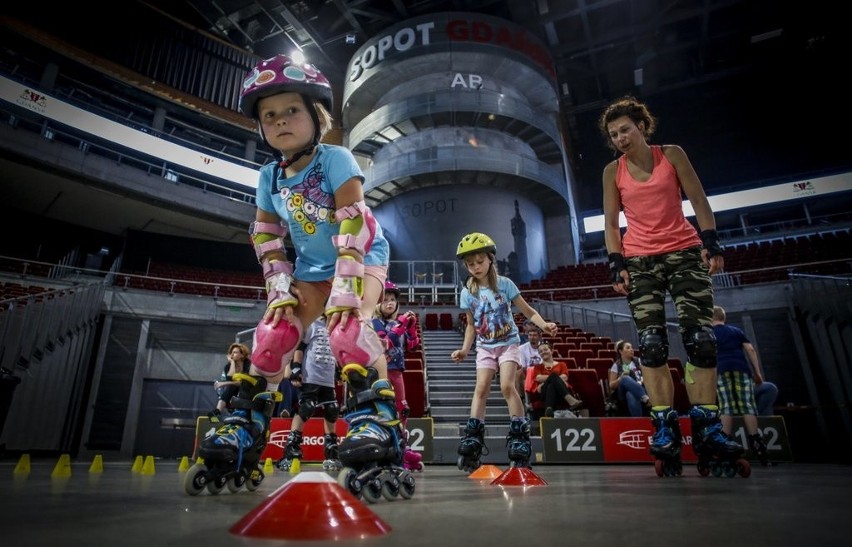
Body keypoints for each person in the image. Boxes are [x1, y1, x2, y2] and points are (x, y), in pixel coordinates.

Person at [202, 55, 409, 496]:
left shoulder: (336, 158)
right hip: (312, 269)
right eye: (269, 115)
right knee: (273, 333)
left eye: (291, 110)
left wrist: (347, 287)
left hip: (362, 256)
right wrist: (279, 289)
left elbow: (356, 222)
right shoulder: (268, 177)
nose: (279, 121)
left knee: (347, 329)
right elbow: (268, 237)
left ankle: (378, 423)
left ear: (316, 115)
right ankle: (246, 426)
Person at [599, 96, 743, 476]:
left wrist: (710, 241)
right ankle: (664, 428)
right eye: (614, 135)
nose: (621, 138)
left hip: (683, 251)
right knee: (650, 345)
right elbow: (612, 225)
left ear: (642, 127)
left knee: (701, 340)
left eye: (626, 130)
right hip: (640, 261)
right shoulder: (612, 171)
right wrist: (617, 265)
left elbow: (698, 199)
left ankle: (707, 427)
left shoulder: (672, 155)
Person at [451, 232, 559, 471]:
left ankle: (520, 435)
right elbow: (470, 325)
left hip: (509, 343)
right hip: (485, 347)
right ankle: (473, 437)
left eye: (479, 262)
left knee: (507, 386)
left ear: (490, 259)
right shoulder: (468, 292)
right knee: (481, 388)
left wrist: (544, 325)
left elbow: (528, 311)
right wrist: (464, 350)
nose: (475, 267)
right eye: (470, 264)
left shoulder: (505, 285)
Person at [276, 317, 342, 472]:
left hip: (328, 378)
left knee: (332, 410)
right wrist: (296, 368)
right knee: (306, 408)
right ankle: (291, 451)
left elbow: (337, 351)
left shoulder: (336, 327)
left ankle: (331, 452)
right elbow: (300, 347)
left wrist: (338, 372)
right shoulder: (313, 323)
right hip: (310, 375)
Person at [373, 280, 423, 471]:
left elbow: (412, 346)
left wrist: (410, 329)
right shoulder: (374, 321)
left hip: (397, 372)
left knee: (402, 409)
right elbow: (383, 342)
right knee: (382, 410)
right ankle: (382, 446)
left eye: (392, 299)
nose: (389, 303)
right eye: (385, 300)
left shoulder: (397, 322)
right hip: (380, 373)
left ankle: (402, 447)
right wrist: (400, 327)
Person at [712, 305, 770, 465]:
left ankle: (725, 443)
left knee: (726, 406)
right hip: (741, 369)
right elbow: (750, 349)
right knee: (747, 405)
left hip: (722, 370)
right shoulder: (735, 331)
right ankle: (757, 445)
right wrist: (757, 373)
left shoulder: (710, 334)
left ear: (710, 319)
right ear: (723, 318)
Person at [527, 341, 583, 417]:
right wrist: (554, 378)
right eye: (540, 351)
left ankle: (548, 410)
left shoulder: (561, 364)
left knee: (551, 385)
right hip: (544, 392)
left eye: (545, 350)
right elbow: (538, 378)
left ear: (552, 350)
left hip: (559, 392)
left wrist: (548, 381)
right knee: (553, 376)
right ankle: (570, 399)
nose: (543, 352)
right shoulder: (538, 367)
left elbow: (565, 377)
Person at [607, 340, 650, 417]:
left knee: (630, 393)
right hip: (622, 393)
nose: (631, 349)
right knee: (625, 378)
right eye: (628, 348)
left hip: (640, 387)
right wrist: (621, 378)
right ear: (620, 351)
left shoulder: (638, 361)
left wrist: (644, 379)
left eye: (632, 348)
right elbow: (611, 385)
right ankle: (646, 399)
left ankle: (639, 422)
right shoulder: (616, 365)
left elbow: (648, 375)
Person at [210, 343, 250, 419]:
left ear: (242, 355)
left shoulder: (248, 365)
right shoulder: (228, 366)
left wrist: (223, 383)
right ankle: (217, 411)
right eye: (231, 352)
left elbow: (243, 383)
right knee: (230, 387)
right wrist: (232, 363)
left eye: (235, 352)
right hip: (233, 392)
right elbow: (229, 379)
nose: (232, 354)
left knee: (231, 385)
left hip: (247, 390)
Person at [516, 322, 543, 413]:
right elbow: (523, 367)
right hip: (527, 373)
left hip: (542, 373)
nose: (532, 337)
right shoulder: (522, 348)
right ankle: (521, 399)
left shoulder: (544, 348)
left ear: (539, 337)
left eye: (535, 335)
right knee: (518, 373)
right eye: (530, 335)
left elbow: (545, 365)